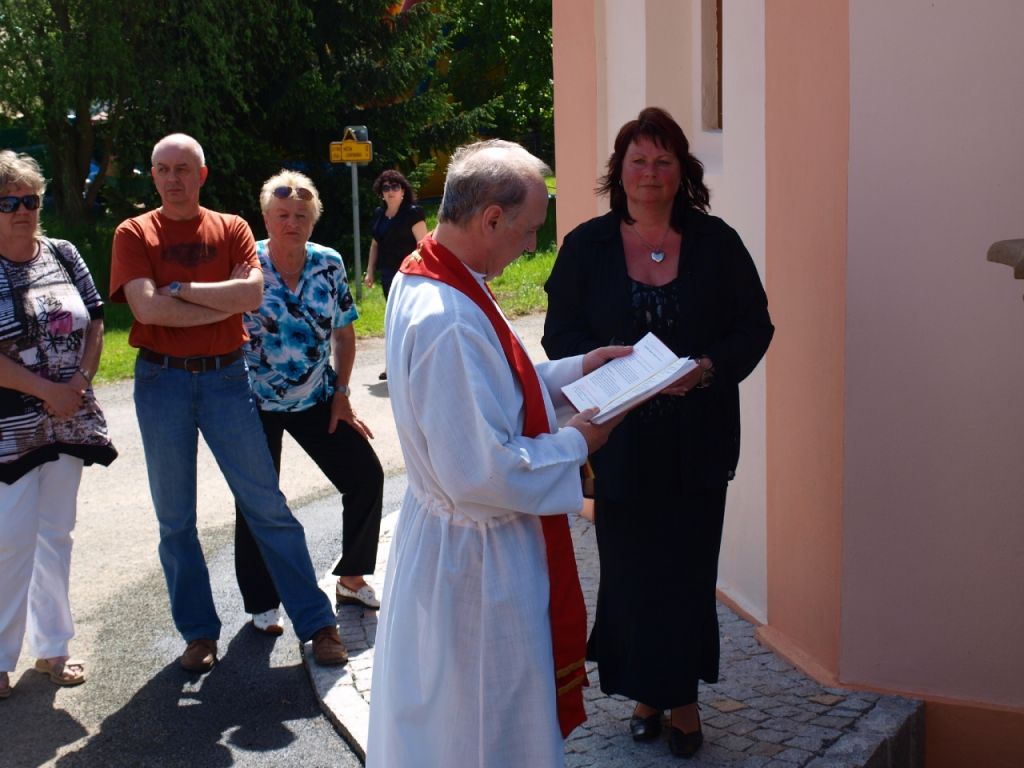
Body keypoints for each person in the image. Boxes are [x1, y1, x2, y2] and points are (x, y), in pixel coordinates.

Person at [366, 139, 630, 768]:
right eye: (529, 228)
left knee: (449, 725)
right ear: (490, 218)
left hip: (453, 544)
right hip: (476, 562)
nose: (533, 245)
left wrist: (578, 370)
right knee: (485, 729)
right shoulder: (449, 319)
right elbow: (482, 472)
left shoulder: (431, 271)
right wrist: (579, 441)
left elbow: (494, 389)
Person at [542, 107, 774, 758]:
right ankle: (647, 695)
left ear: (681, 172)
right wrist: (607, 369)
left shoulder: (716, 242)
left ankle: (684, 701)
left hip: (699, 440)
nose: (650, 172)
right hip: (618, 441)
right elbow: (561, 335)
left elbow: (754, 326)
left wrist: (707, 368)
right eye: (638, 160)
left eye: (663, 160)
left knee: (688, 574)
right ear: (619, 171)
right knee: (631, 574)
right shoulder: (586, 246)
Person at [109, 133, 348, 673]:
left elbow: (251, 296)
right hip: (161, 382)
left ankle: (317, 624)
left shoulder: (232, 227)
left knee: (267, 505)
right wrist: (221, 301)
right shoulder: (134, 232)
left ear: (201, 175)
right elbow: (147, 310)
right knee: (176, 519)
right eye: (163, 169)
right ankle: (198, 633)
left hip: (225, 379)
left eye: (183, 168)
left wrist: (179, 289)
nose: (173, 178)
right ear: (153, 175)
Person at [233, 170, 384, 636]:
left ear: (313, 221)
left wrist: (342, 395)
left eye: (301, 215)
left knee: (365, 476)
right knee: (257, 501)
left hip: (317, 398)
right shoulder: (246, 264)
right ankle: (262, 603)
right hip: (255, 403)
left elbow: (344, 334)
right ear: (266, 218)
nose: (291, 223)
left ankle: (352, 578)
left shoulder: (328, 263)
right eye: (282, 215)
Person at [0, 151, 117, 698]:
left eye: (30, 200)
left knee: (56, 535)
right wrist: (48, 391)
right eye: (8, 203)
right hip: (11, 430)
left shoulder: (64, 253)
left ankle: (53, 648)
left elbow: (96, 321)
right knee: (10, 540)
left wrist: (80, 382)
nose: (22, 210)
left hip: (67, 421)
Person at [362, 170, 427, 380]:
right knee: (393, 318)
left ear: (403, 191)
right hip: (388, 274)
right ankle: (391, 366)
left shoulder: (413, 213)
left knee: (410, 318)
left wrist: (420, 272)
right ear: (381, 193)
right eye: (386, 188)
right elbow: (375, 245)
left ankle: (417, 362)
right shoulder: (379, 215)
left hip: (411, 275)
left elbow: (424, 246)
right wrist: (370, 271)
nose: (390, 191)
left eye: (395, 187)